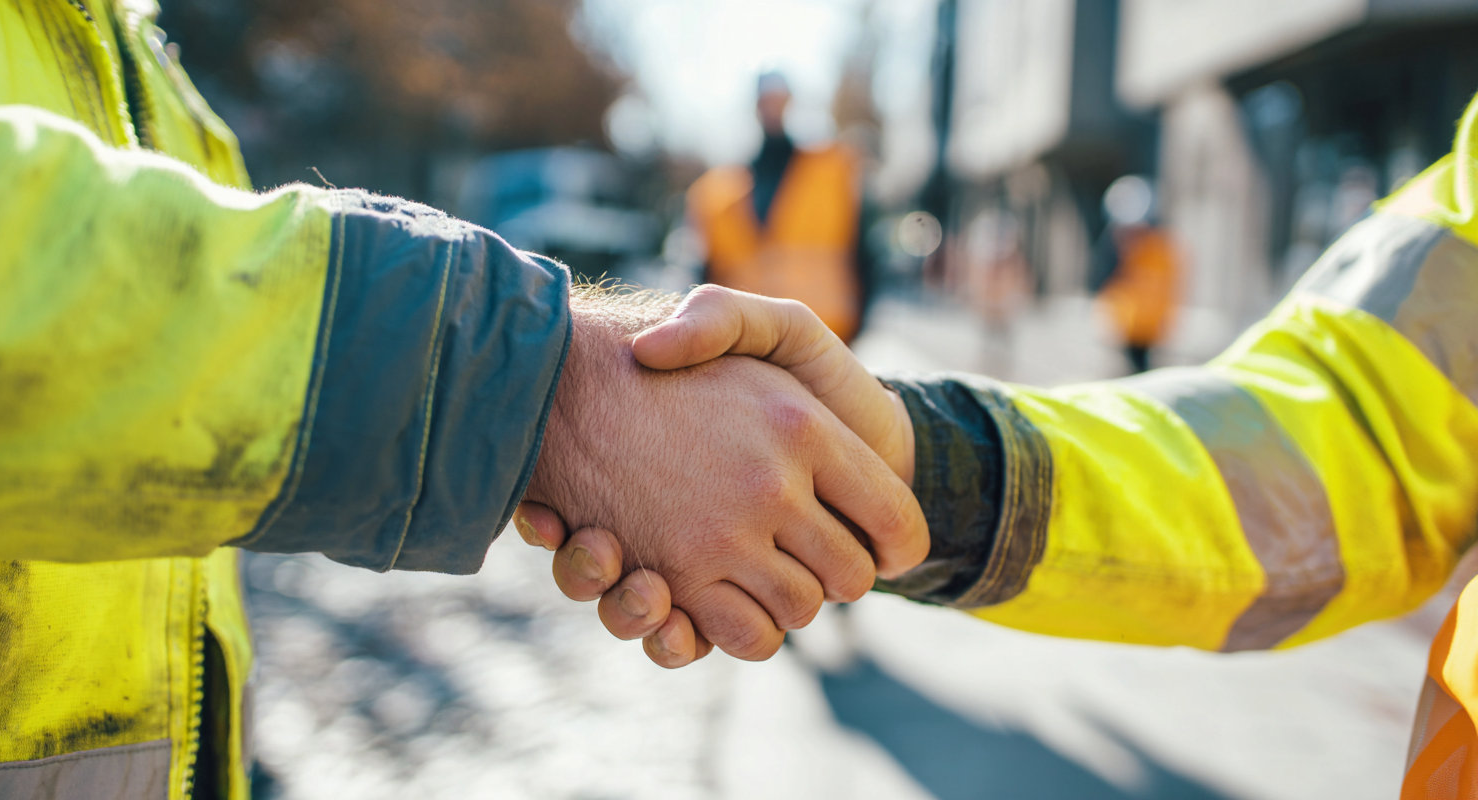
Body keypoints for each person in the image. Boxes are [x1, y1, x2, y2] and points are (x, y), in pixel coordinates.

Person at [0, 5, 929, 798]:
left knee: (788, 519)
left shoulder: (131, 51)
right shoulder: (720, 187)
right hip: (747, 384)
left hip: (809, 370)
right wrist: (553, 388)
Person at [527, 94, 1478, 799]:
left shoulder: (828, 174)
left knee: (795, 538)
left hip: (790, 369)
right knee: (805, 528)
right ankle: (831, 539)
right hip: (769, 378)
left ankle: (823, 544)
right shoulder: (723, 186)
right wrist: (907, 460)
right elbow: (1349, 435)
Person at [685, 71, 865, 342]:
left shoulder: (832, 174)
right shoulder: (717, 192)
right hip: (744, 342)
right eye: (767, 101)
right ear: (756, 107)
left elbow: (861, 255)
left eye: (779, 100)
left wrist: (855, 332)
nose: (774, 108)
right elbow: (703, 271)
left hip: (823, 339)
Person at [1089, 175, 1182, 373]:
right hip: (1125, 325)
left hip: (1147, 328)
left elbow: (1167, 286)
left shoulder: (1158, 248)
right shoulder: (1117, 247)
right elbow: (1102, 280)